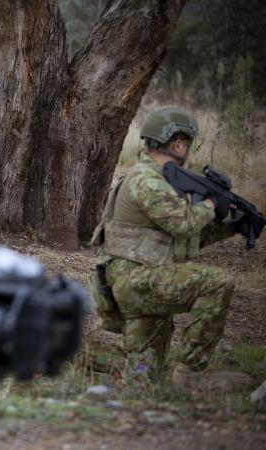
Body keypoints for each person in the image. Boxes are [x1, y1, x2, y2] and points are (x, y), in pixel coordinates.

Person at [88, 107, 251, 391]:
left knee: (143, 378)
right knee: (216, 283)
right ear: (177, 143)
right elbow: (184, 223)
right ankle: (190, 372)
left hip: (143, 281)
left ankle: (70, 356)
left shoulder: (160, 181)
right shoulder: (146, 179)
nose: (187, 148)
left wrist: (230, 225)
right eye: (186, 142)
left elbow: (187, 239)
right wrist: (212, 205)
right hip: (137, 281)